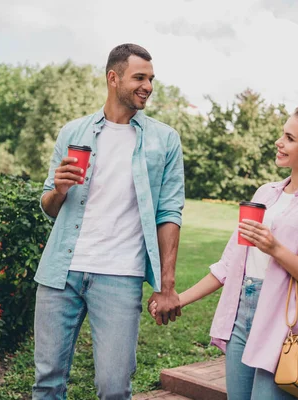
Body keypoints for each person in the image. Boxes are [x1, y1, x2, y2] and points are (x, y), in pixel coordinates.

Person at [151, 106, 298, 399]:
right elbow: (228, 265)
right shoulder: (265, 194)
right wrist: (176, 300)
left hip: (283, 324)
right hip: (241, 313)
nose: (279, 142)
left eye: (289, 137)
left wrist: (275, 249)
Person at [33, 43, 185, 400]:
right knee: (47, 381)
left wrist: (167, 285)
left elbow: (169, 213)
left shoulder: (164, 140)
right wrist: (58, 189)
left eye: (151, 79)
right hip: (61, 272)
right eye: (139, 77)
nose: (148, 86)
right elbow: (49, 206)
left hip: (120, 276)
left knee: (114, 387)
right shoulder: (74, 132)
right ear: (113, 78)